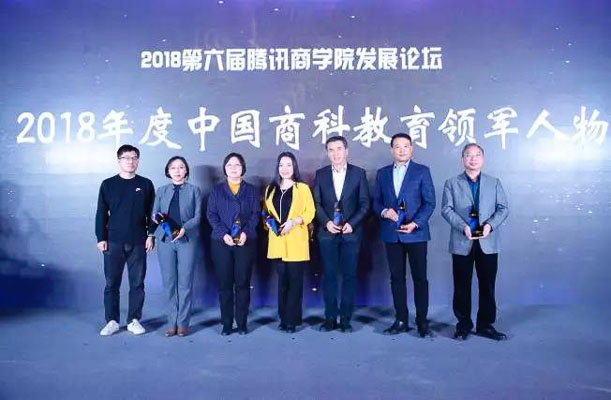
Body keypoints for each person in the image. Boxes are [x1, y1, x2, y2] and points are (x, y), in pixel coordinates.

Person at [441, 143, 509, 341]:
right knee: (461, 285)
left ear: (483, 158)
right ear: (462, 159)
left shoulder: (494, 182)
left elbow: (503, 208)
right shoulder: (452, 183)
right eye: (468, 155)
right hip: (462, 240)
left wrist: (490, 225)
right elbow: (446, 209)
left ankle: (485, 325)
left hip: (488, 242)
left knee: (487, 285)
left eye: (477, 155)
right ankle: (463, 325)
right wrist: (463, 226)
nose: (473, 159)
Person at [373, 133, 436, 338]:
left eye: (405, 146)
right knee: (396, 278)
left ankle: (422, 321)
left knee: (420, 279)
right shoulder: (382, 173)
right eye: (397, 146)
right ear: (392, 150)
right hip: (392, 234)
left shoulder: (422, 171)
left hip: (416, 234)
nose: (401, 150)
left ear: (411, 149)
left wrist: (415, 223)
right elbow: (376, 202)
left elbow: (430, 203)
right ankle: (401, 320)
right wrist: (385, 211)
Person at [95, 144, 155, 336]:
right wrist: (101, 237)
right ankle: (112, 320)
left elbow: (152, 213)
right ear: (119, 160)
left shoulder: (146, 184)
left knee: (137, 282)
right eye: (126, 158)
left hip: (139, 240)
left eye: (134, 157)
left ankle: (133, 320)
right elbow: (101, 212)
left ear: (138, 161)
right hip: (113, 241)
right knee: (112, 283)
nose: (131, 161)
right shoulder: (108, 184)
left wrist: (151, 235)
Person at [313, 136, 370, 332]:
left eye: (339, 149)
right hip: (327, 233)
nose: (336, 153)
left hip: (350, 234)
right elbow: (316, 203)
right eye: (331, 150)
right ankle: (330, 318)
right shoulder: (320, 174)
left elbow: (365, 203)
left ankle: (345, 318)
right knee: (329, 276)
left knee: (349, 276)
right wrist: (326, 222)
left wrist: (352, 224)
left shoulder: (359, 173)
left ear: (346, 151)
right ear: (327, 153)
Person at [207, 153, 260, 336]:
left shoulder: (252, 190)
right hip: (221, 243)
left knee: (243, 284)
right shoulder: (216, 190)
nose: (233, 168)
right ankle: (227, 323)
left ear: (243, 168)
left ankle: (242, 322)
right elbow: (211, 215)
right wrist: (223, 233)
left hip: (245, 242)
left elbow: (256, 214)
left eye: (237, 164)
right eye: (229, 165)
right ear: (225, 168)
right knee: (225, 284)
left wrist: (246, 232)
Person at [263, 152, 315, 334]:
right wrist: (268, 224)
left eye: (288, 165)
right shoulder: (270, 189)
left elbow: (310, 212)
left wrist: (294, 222)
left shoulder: (302, 188)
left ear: (294, 167)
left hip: (296, 241)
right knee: (282, 282)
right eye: (281, 165)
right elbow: (266, 213)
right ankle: (283, 317)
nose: (284, 169)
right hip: (278, 241)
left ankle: (292, 320)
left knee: (295, 282)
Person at [151, 156, 202, 337]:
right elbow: (154, 214)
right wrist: (159, 223)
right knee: (169, 282)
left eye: (181, 167)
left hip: (187, 240)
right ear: (168, 171)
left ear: (186, 170)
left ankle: (183, 323)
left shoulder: (194, 190)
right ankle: (171, 322)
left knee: (185, 282)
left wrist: (184, 229)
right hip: (165, 240)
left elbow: (197, 216)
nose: (177, 171)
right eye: (173, 168)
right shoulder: (161, 191)